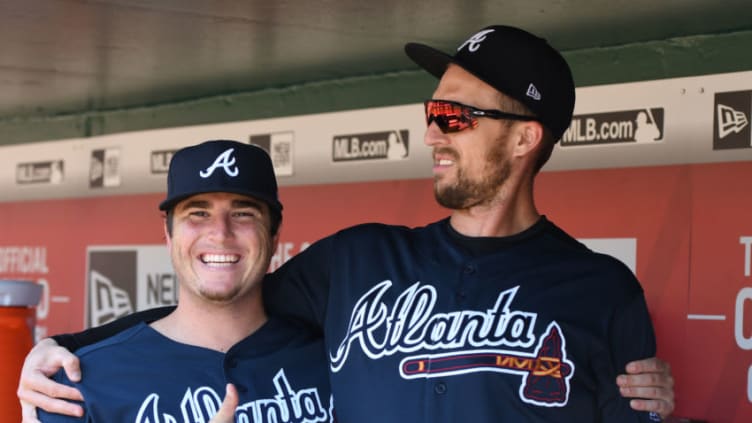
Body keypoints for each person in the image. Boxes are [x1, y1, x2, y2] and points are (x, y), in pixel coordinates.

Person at [18, 25, 674, 422]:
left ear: (526, 137)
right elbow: (220, 301)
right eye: (431, 110)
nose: (431, 132)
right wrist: (68, 346)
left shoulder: (600, 291)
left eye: (454, 116)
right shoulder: (357, 262)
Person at [35, 140, 333, 422]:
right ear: (168, 234)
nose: (220, 232)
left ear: (274, 233)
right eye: (198, 213)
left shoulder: (335, 363)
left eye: (243, 213)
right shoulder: (80, 383)